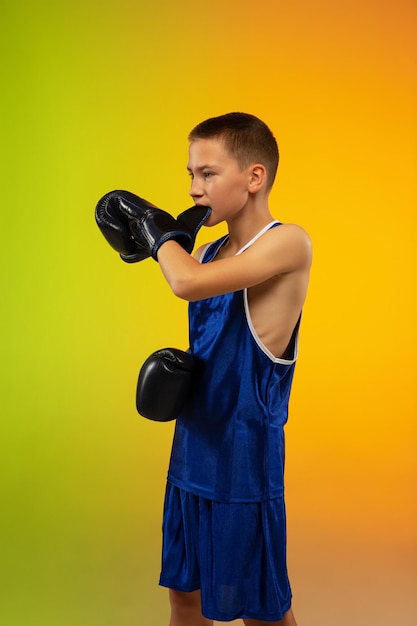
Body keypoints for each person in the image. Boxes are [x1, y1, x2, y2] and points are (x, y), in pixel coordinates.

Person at [96, 112, 312, 625]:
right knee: (184, 597)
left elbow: (186, 283)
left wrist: (155, 234)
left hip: (243, 463)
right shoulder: (213, 250)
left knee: (261, 611)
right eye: (190, 175)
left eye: (208, 174)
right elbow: (205, 310)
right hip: (193, 451)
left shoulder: (288, 243)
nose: (194, 189)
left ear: (254, 177)